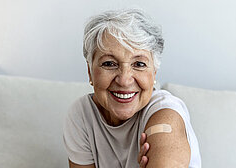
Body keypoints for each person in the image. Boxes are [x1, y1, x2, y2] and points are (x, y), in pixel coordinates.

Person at [63, 8, 201, 168]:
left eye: (139, 64)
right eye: (109, 63)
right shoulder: (82, 115)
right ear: (90, 72)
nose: (124, 80)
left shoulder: (165, 113)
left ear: (154, 73)